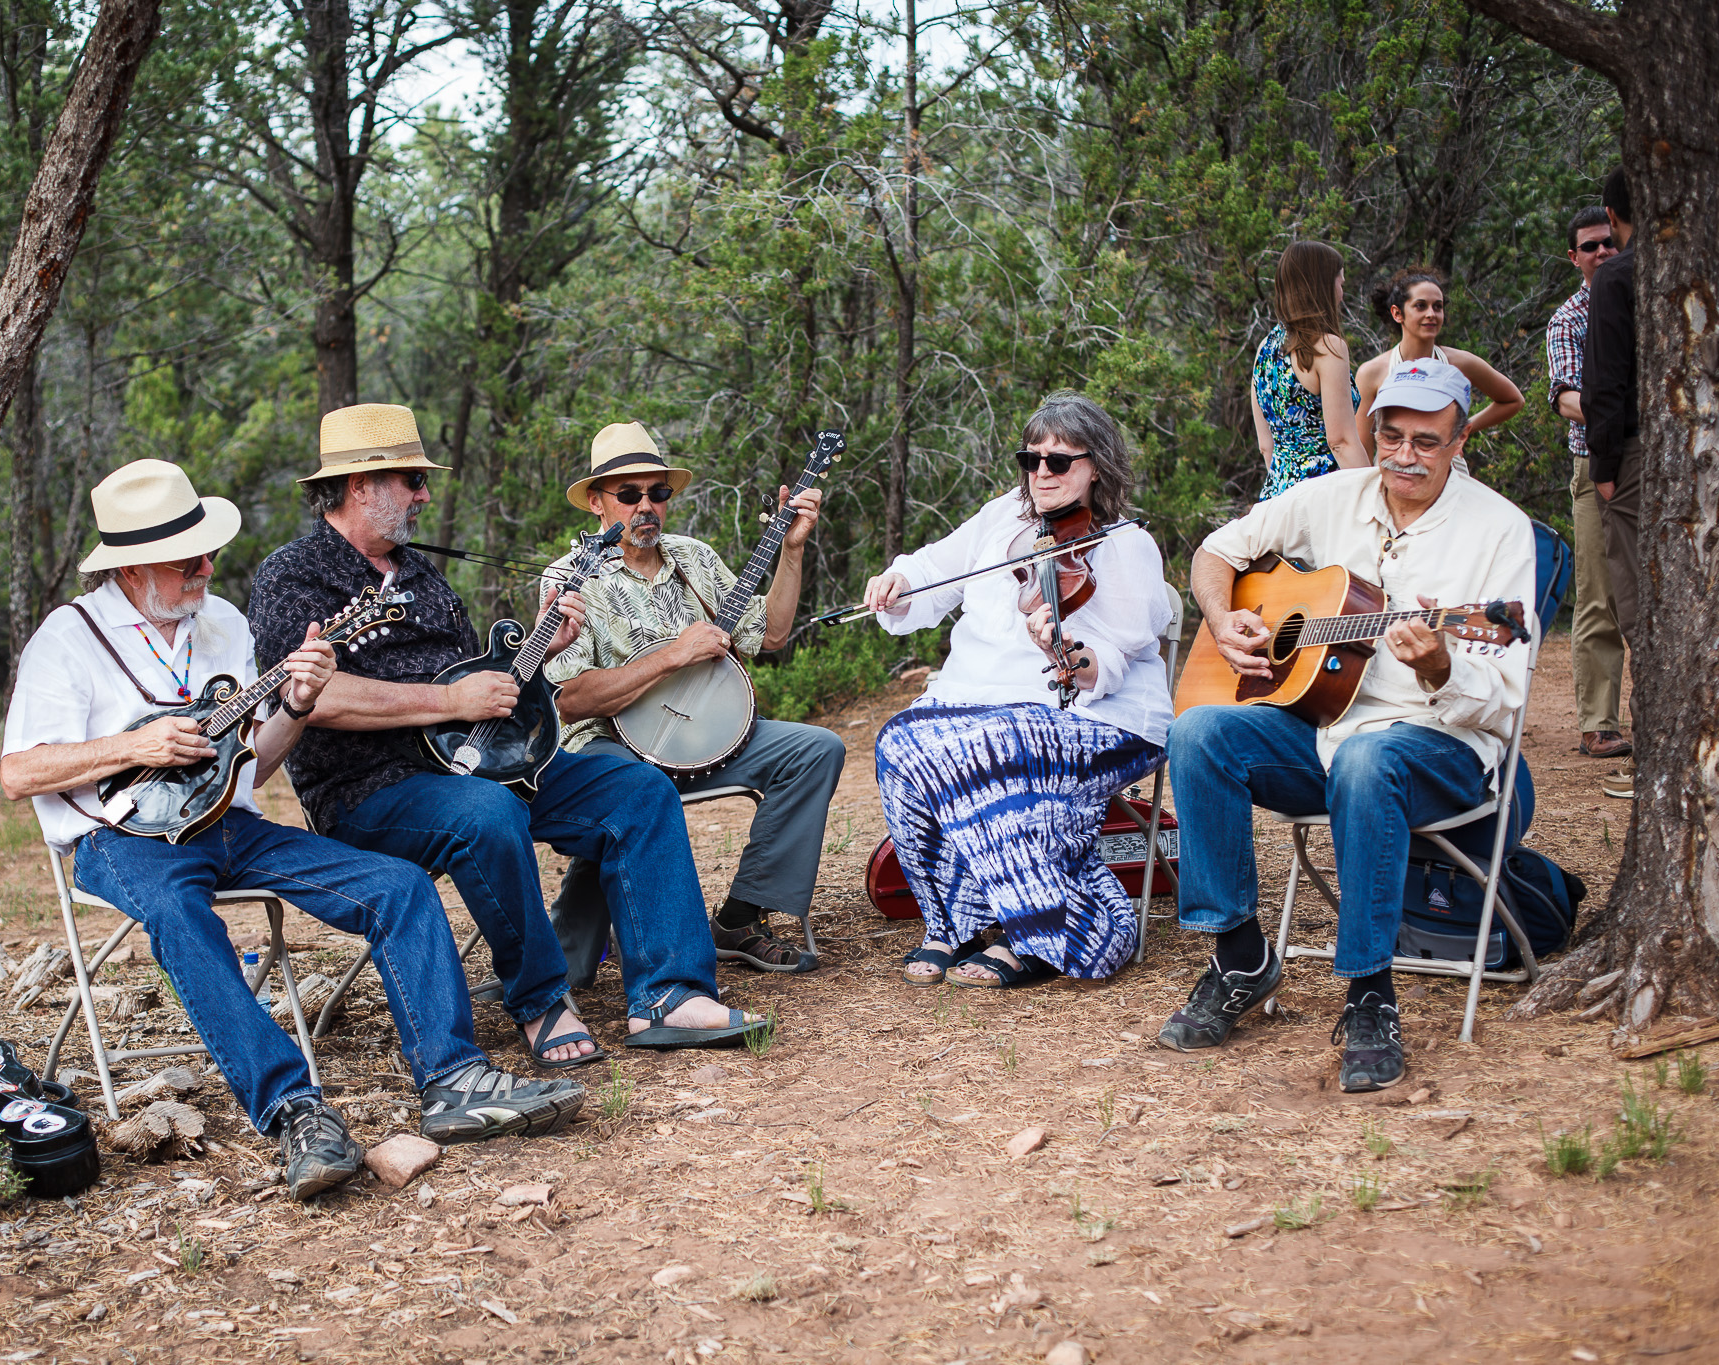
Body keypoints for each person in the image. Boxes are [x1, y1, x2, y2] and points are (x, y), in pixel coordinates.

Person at [1, 459, 587, 1201]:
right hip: (120, 839)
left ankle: (454, 1076)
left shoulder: (221, 625)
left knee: (397, 885)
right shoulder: (70, 637)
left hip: (228, 824)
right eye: (190, 559)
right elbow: (19, 773)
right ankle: (294, 1112)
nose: (209, 567)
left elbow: (256, 768)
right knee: (182, 916)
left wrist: (300, 703)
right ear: (135, 565)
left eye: (209, 551)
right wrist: (136, 746)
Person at [248, 403, 767, 1071]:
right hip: (371, 793)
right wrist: (447, 699)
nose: (425, 494)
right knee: (485, 814)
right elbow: (314, 697)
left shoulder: (421, 577)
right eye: (413, 481)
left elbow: (486, 691)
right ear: (360, 486)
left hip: (483, 765)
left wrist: (546, 642)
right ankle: (541, 1000)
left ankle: (670, 994)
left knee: (635, 788)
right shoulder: (293, 575)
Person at [1161, 361, 1535, 1093]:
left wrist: (1439, 667)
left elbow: (1505, 694)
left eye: (1425, 441)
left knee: (1368, 759)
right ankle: (1239, 956)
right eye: (1389, 435)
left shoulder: (1501, 532)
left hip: (1440, 742)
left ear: (1460, 440)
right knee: (1199, 732)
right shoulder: (1335, 496)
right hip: (1324, 729)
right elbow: (1217, 550)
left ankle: (1370, 993)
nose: (1402, 456)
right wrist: (1219, 614)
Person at [861, 393, 1174, 989]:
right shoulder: (1003, 515)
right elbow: (934, 568)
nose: (1042, 474)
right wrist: (899, 581)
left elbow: (1111, 656)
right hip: (976, 700)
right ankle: (957, 922)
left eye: (1060, 462)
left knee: (992, 743)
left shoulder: (1124, 542)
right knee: (900, 741)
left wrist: (1067, 653)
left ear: (1095, 467)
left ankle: (1047, 929)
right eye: (1031, 460)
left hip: (1097, 716)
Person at [540, 422, 846, 975]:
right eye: (629, 494)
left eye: (658, 493)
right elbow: (569, 698)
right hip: (612, 745)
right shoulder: (569, 577)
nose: (646, 507)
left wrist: (793, 551)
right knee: (635, 791)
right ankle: (583, 955)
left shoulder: (694, 559)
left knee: (815, 749)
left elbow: (770, 635)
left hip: (707, 734)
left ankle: (740, 916)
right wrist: (672, 656)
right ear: (595, 502)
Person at [1545, 204, 1629, 761]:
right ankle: (1599, 722)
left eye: (1608, 242)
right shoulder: (1568, 319)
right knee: (1599, 595)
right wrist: (1615, 415)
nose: (1602, 252)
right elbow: (1566, 399)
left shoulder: (1647, 295)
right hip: (1597, 464)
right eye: (1590, 246)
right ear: (1574, 257)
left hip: (1654, 465)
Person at [1582, 168, 1639, 801]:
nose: (1602, 253)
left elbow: (1605, 381)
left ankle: (1664, 753)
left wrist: (1604, 470)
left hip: (1635, 457)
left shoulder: (1619, 279)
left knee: (1640, 606)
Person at [1354, 266, 1523, 460]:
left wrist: (1459, 431)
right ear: (1397, 313)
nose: (1431, 314)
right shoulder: (1372, 372)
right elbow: (1362, 447)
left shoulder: (1459, 363)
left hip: (1447, 476)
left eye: (1438, 306)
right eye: (1420, 306)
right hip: (1395, 474)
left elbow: (1513, 400)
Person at [1252, 241, 1367, 498]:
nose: (1341, 292)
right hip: (1324, 498)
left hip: (1277, 498)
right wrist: (1374, 497)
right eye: (1340, 282)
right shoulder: (1327, 347)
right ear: (1322, 285)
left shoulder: (1265, 348)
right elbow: (1341, 442)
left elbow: (1265, 445)